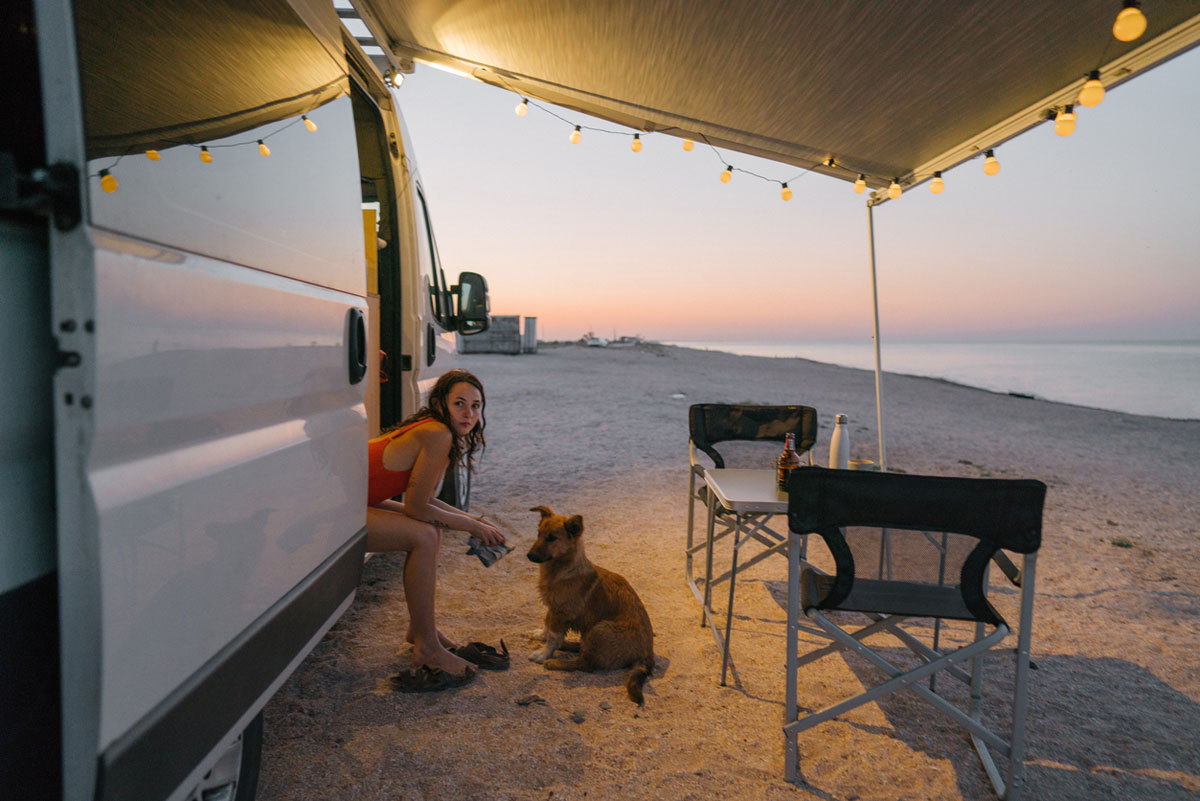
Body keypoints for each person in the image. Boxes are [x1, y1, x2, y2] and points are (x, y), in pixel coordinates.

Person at [367, 368, 505, 688]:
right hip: (336, 505)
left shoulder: (436, 430)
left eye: (476, 405)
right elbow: (418, 508)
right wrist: (472, 525)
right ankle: (427, 647)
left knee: (430, 530)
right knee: (423, 534)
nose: (469, 413)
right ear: (440, 403)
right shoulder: (437, 434)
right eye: (460, 403)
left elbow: (424, 501)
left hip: (354, 498)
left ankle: (420, 632)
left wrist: (475, 523)